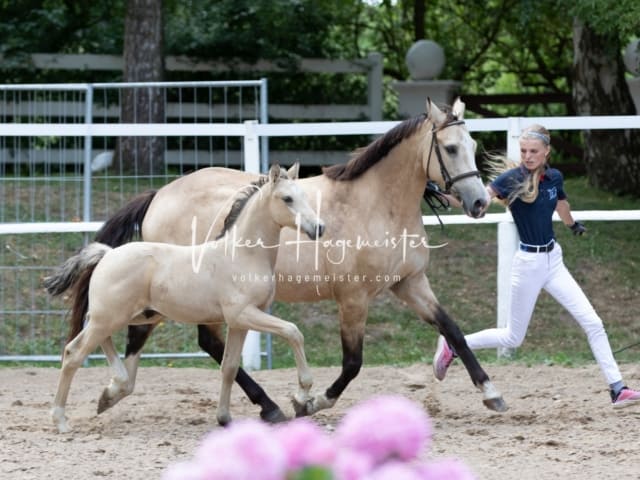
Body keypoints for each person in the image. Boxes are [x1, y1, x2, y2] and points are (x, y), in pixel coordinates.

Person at [433, 124, 640, 409]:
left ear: (546, 153)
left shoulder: (554, 177)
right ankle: (453, 344)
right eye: (524, 151)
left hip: (553, 261)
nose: (528, 156)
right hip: (528, 264)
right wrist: (445, 197)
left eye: (533, 151)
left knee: (593, 322)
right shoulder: (510, 179)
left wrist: (572, 225)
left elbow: (561, 204)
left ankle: (618, 389)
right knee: (512, 337)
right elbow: (477, 204)